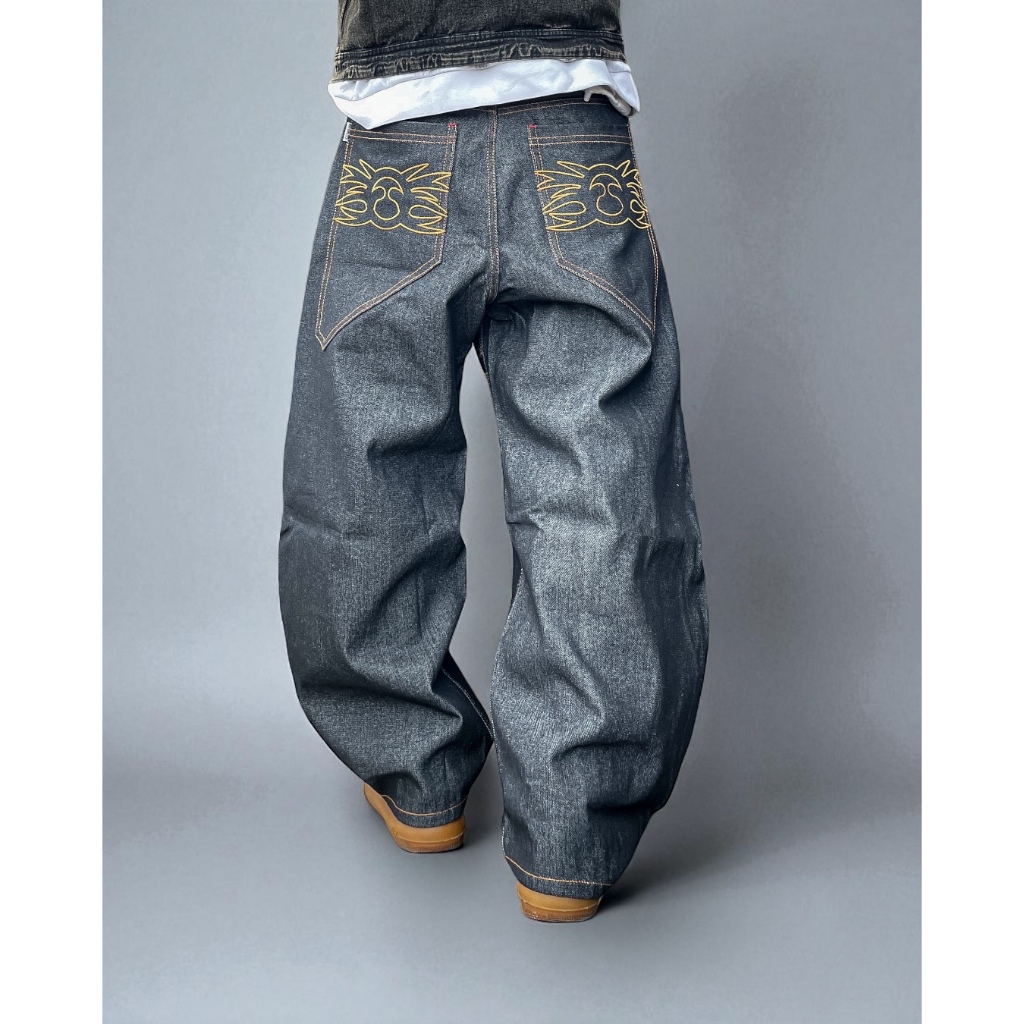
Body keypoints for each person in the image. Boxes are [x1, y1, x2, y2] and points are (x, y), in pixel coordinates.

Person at [278, 0, 709, 924]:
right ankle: (570, 839)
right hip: (573, 128)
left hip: (401, 132)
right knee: (602, 491)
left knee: (365, 476)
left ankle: (416, 777)